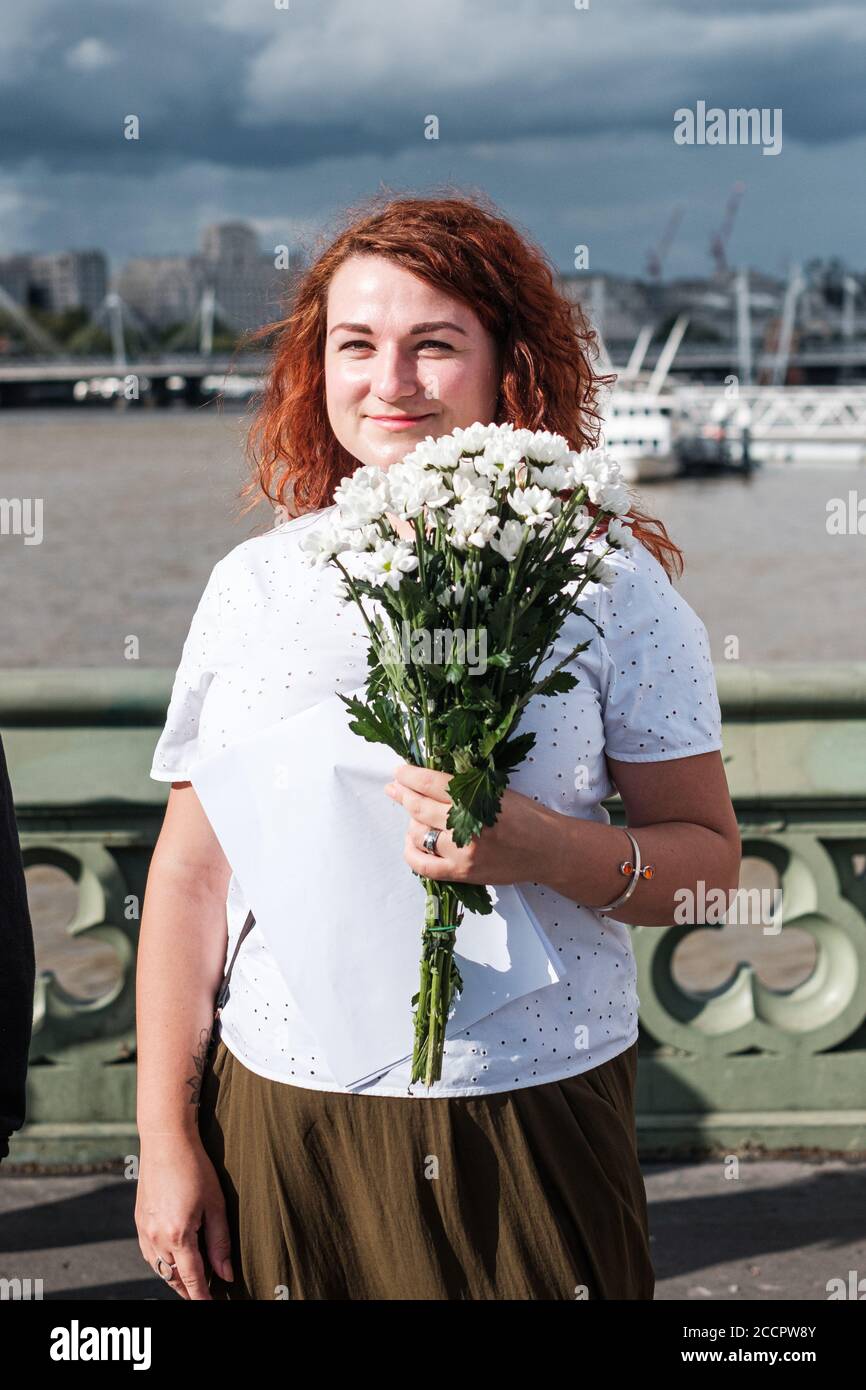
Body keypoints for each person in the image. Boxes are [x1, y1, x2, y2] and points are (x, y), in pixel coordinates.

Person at [134, 192, 741, 1301]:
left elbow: (708, 868)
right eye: (355, 344)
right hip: (287, 1107)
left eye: (434, 345)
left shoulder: (608, 586)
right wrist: (166, 1141)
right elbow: (188, 879)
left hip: (533, 1104)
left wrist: (549, 850)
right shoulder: (256, 586)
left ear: (507, 364)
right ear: (316, 366)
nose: (391, 380)